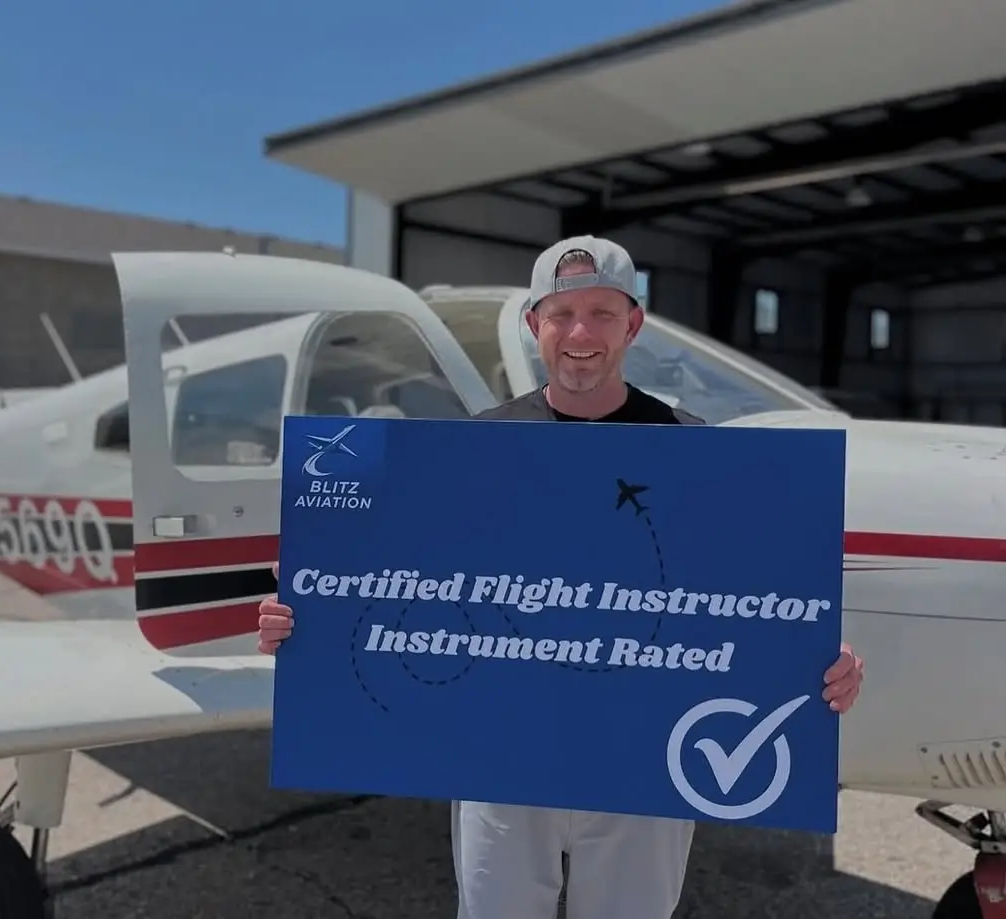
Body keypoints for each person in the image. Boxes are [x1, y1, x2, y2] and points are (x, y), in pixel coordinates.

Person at [256, 235, 866, 919]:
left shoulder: (698, 450)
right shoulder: (473, 448)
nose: (581, 333)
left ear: (632, 324)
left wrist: (815, 661)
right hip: (501, 757)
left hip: (643, 763)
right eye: (562, 313)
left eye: (603, 313)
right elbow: (397, 583)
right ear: (534, 324)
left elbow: (750, 601)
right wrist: (307, 618)